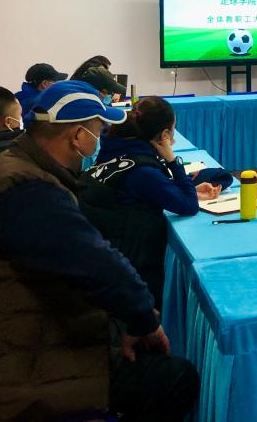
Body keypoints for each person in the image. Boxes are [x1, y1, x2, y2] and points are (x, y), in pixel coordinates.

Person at [0, 80, 199, 421]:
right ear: (78, 137)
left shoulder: (15, 168)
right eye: (98, 130)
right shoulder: (29, 193)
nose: (101, 137)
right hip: (11, 368)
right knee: (175, 378)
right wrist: (144, 321)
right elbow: (100, 267)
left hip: (3, 338)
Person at [79, 96, 221, 308]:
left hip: (105, 255)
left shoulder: (113, 148)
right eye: (172, 132)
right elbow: (188, 206)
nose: (173, 139)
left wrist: (182, 189)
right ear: (163, 135)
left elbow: (142, 190)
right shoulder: (143, 171)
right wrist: (172, 160)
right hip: (132, 269)